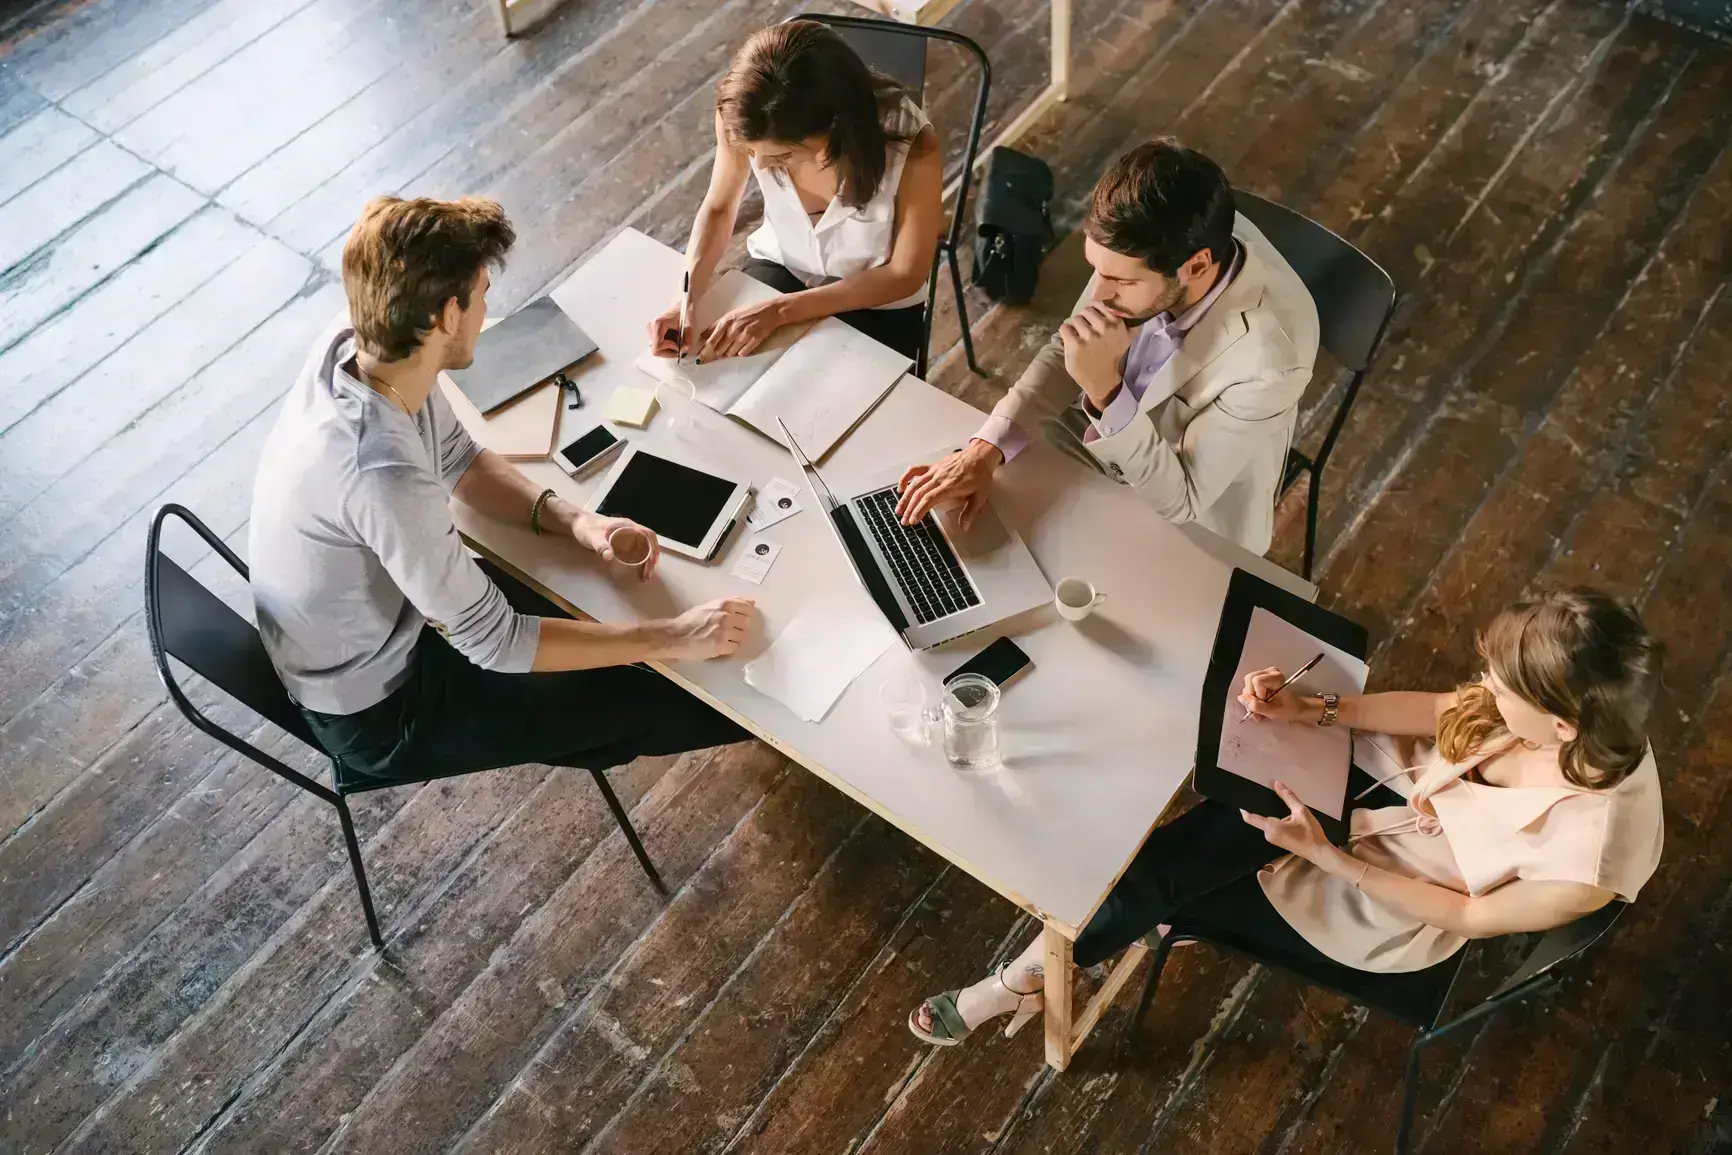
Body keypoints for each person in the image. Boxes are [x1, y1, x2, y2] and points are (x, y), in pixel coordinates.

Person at [910, 587, 1664, 1046]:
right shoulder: (1573, 710)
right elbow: (1445, 711)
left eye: (1504, 691)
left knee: (1173, 875)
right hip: (1381, 787)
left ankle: (1025, 977)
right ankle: (1046, 961)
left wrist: (1332, 858)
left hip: (1387, 891)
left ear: (1561, 729)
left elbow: (1466, 916)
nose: (1484, 690)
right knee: (1216, 771)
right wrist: (1321, 708)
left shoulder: (1591, 860)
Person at [249, 195, 756, 783]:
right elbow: (498, 644)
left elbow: (459, 460)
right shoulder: (380, 473)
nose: (489, 307)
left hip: (396, 622)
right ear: (444, 315)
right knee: (678, 700)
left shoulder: (367, 342)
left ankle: (592, 724)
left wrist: (577, 522)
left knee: (605, 629)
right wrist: (674, 637)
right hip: (384, 708)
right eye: (482, 291)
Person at [896, 139, 1320, 557]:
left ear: (1196, 266)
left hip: (1187, 520)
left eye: (1120, 281)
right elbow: (1068, 346)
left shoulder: (1271, 361)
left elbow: (1184, 500)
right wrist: (983, 451)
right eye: (1096, 270)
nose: (1097, 295)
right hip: (1095, 447)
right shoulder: (1140, 250)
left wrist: (1106, 392)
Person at [647, 20, 943, 364]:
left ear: (834, 126)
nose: (760, 164)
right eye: (752, 152)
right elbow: (718, 206)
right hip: (785, 265)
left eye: (782, 156)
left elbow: (904, 275)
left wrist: (781, 311)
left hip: (876, 297)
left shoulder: (913, 146)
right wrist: (685, 301)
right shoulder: (744, 116)